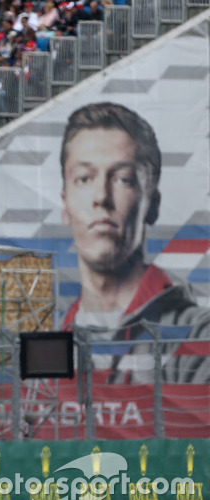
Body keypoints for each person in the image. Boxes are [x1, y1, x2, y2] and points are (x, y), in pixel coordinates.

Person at [59, 102, 210, 384]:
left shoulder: (195, 332)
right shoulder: (57, 338)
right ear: (65, 204)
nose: (101, 197)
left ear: (152, 205)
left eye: (123, 179)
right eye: (84, 178)